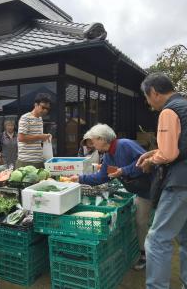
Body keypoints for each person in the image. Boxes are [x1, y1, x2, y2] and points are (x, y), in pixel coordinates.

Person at [70, 124, 152, 270]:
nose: (93, 144)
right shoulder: (108, 156)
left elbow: (146, 161)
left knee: (164, 226)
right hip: (141, 192)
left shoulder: (125, 145)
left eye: (94, 141)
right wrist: (79, 179)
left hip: (155, 188)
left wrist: (123, 171)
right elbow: (102, 177)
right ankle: (145, 255)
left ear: (102, 139)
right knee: (141, 222)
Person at [136, 72, 187, 289]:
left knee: (157, 241)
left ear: (154, 92)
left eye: (147, 97)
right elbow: (180, 145)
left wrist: (151, 161)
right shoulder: (184, 105)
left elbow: (168, 154)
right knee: (185, 238)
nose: (149, 103)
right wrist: (155, 152)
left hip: (179, 183)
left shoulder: (169, 110)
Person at [16, 93, 52, 169]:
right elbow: (21, 138)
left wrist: (44, 138)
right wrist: (40, 136)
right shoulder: (25, 118)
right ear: (36, 105)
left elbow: (35, 139)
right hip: (26, 160)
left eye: (47, 108)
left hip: (38, 159)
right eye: (43, 107)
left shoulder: (40, 119)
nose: (45, 110)